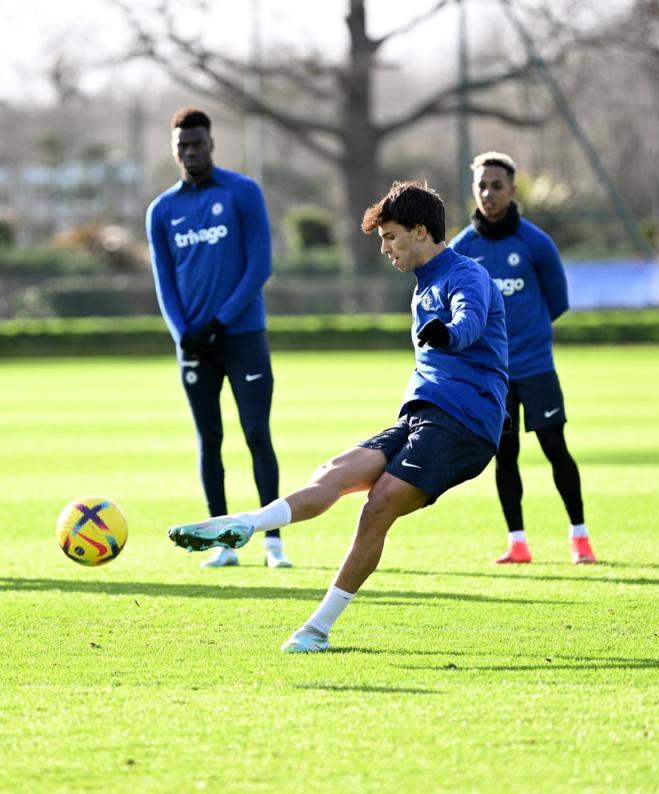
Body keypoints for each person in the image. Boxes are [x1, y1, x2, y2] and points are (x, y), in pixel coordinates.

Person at [168, 180, 509, 653]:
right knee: (335, 471)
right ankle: (249, 523)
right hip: (422, 415)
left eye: (390, 236)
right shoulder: (421, 287)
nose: (385, 249)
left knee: (379, 505)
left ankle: (317, 629)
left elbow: (468, 322)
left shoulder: (465, 274)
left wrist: (446, 334)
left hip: (465, 424)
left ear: (419, 230)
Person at [146, 107, 291, 569]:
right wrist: (182, 333)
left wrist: (220, 320)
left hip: (243, 334)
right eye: (182, 147)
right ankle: (222, 545)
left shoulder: (242, 192)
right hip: (194, 344)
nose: (190, 153)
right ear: (175, 150)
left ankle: (272, 543)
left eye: (197, 144)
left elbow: (259, 266)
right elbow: (164, 281)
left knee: (255, 433)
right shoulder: (162, 210)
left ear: (211, 144)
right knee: (209, 440)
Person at [451, 152, 596, 565]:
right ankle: (517, 542)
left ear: (512, 190)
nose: (488, 193)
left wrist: (525, 338)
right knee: (505, 454)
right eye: (481, 185)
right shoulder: (463, 249)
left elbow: (558, 302)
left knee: (555, 447)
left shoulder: (535, 242)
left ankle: (580, 537)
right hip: (492, 375)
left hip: (535, 368)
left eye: (497, 186)